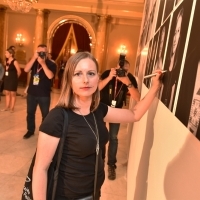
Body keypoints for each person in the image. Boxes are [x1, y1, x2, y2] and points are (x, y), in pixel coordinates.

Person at [32, 52, 161, 200]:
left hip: (93, 193)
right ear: (69, 79)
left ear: (97, 78)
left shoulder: (98, 110)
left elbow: (134, 115)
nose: (85, 80)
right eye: (78, 74)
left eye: (91, 73)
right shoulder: (57, 117)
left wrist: (155, 87)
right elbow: (40, 169)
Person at [98, 59, 141, 180]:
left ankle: (111, 164)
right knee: (101, 135)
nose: (122, 72)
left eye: (125, 70)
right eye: (120, 70)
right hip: (103, 108)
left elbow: (137, 98)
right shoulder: (107, 73)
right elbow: (97, 88)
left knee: (113, 138)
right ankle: (100, 161)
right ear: (115, 68)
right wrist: (109, 77)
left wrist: (127, 82)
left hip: (117, 111)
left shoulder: (129, 78)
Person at [23, 44, 56, 139]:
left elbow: (50, 76)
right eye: (39, 52)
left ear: (46, 53)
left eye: (43, 52)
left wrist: (43, 64)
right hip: (32, 93)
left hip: (44, 94)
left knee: (45, 115)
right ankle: (30, 130)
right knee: (30, 113)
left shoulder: (51, 64)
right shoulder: (34, 62)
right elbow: (26, 69)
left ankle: (43, 132)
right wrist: (34, 58)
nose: (41, 54)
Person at [161, 8, 183, 111]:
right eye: (174, 32)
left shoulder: (180, 68)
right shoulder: (165, 64)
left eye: (178, 31)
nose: (175, 38)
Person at [1, 48, 21, 112]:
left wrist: (15, 78)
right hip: (7, 79)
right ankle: (7, 107)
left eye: (6, 53)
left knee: (12, 93)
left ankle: (12, 108)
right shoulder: (6, 61)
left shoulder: (15, 61)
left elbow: (19, 71)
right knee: (7, 93)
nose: (5, 54)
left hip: (13, 79)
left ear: (11, 54)